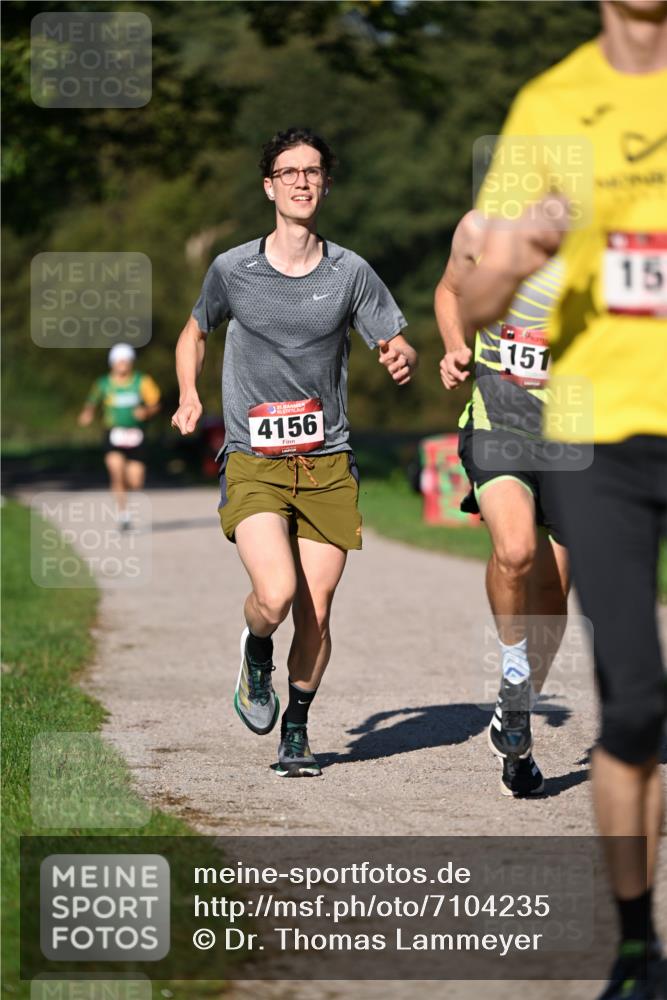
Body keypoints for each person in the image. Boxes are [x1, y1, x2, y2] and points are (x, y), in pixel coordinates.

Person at [460, 3, 667, 996]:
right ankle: (637, 947)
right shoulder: (551, 104)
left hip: (595, 410)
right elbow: (477, 286)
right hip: (569, 421)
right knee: (624, 686)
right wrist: (508, 268)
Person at [171, 127, 417, 778]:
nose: (302, 182)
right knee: (274, 595)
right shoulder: (233, 269)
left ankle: (298, 727)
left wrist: (399, 355)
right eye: (289, 172)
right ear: (268, 187)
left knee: (316, 610)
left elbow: (391, 337)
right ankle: (256, 652)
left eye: (313, 172)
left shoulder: (349, 271)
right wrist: (188, 395)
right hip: (254, 457)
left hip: (328, 463)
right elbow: (194, 332)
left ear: (325, 184)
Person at [435, 211, 569, 798]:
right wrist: (455, 345)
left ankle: (514, 720)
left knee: (553, 602)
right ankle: (514, 673)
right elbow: (449, 291)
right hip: (497, 416)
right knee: (515, 551)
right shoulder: (481, 226)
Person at [78, 343, 161, 529]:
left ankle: (125, 490)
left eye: (126, 360)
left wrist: (146, 412)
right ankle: (123, 514)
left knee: (135, 481)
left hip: (136, 435)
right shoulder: (103, 383)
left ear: (131, 362)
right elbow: (92, 401)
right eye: (119, 360)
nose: (122, 364)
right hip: (113, 434)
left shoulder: (142, 381)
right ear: (112, 363)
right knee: (116, 471)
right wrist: (87, 413)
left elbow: (155, 404)